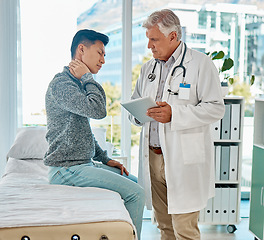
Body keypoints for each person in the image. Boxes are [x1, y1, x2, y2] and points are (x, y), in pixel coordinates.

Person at [129, 9, 225, 240]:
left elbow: (216, 107)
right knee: (164, 227)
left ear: (173, 36)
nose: (149, 46)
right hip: (153, 157)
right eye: (148, 39)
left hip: (183, 159)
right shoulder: (147, 68)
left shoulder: (200, 64)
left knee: (184, 230)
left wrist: (175, 114)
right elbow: (135, 105)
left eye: (154, 39)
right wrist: (137, 115)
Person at [44, 29, 144, 239]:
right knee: (137, 194)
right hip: (66, 169)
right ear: (82, 49)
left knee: (134, 182)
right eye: (100, 53)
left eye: (105, 55)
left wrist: (105, 159)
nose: (103, 60)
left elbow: (83, 130)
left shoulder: (77, 84)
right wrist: (88, 77)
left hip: (81, 165)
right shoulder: (62, 84)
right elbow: (98, 111)